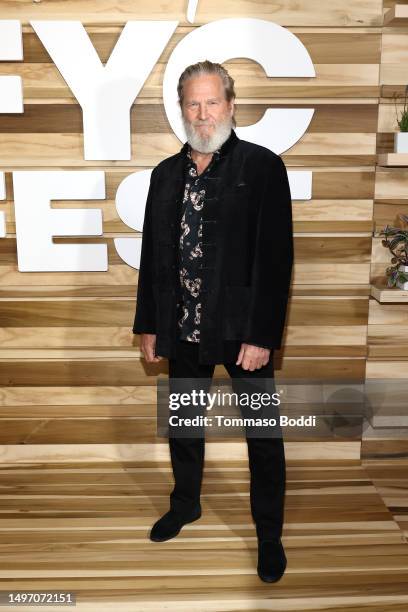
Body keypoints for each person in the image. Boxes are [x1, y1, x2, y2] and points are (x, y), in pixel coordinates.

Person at [132, 60, 294, 583]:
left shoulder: (263, 167)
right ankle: (185, 505)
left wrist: (262, 335)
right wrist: (149, 323)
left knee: (263, 435)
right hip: (181, 326)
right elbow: (154, 255)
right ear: (181, 109)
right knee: (183, 424)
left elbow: (275, 260)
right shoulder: (163, 175)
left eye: (212, 102)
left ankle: (269, 533)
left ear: (231, 105)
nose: (203, 114)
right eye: (193, 104)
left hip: (243, 329)